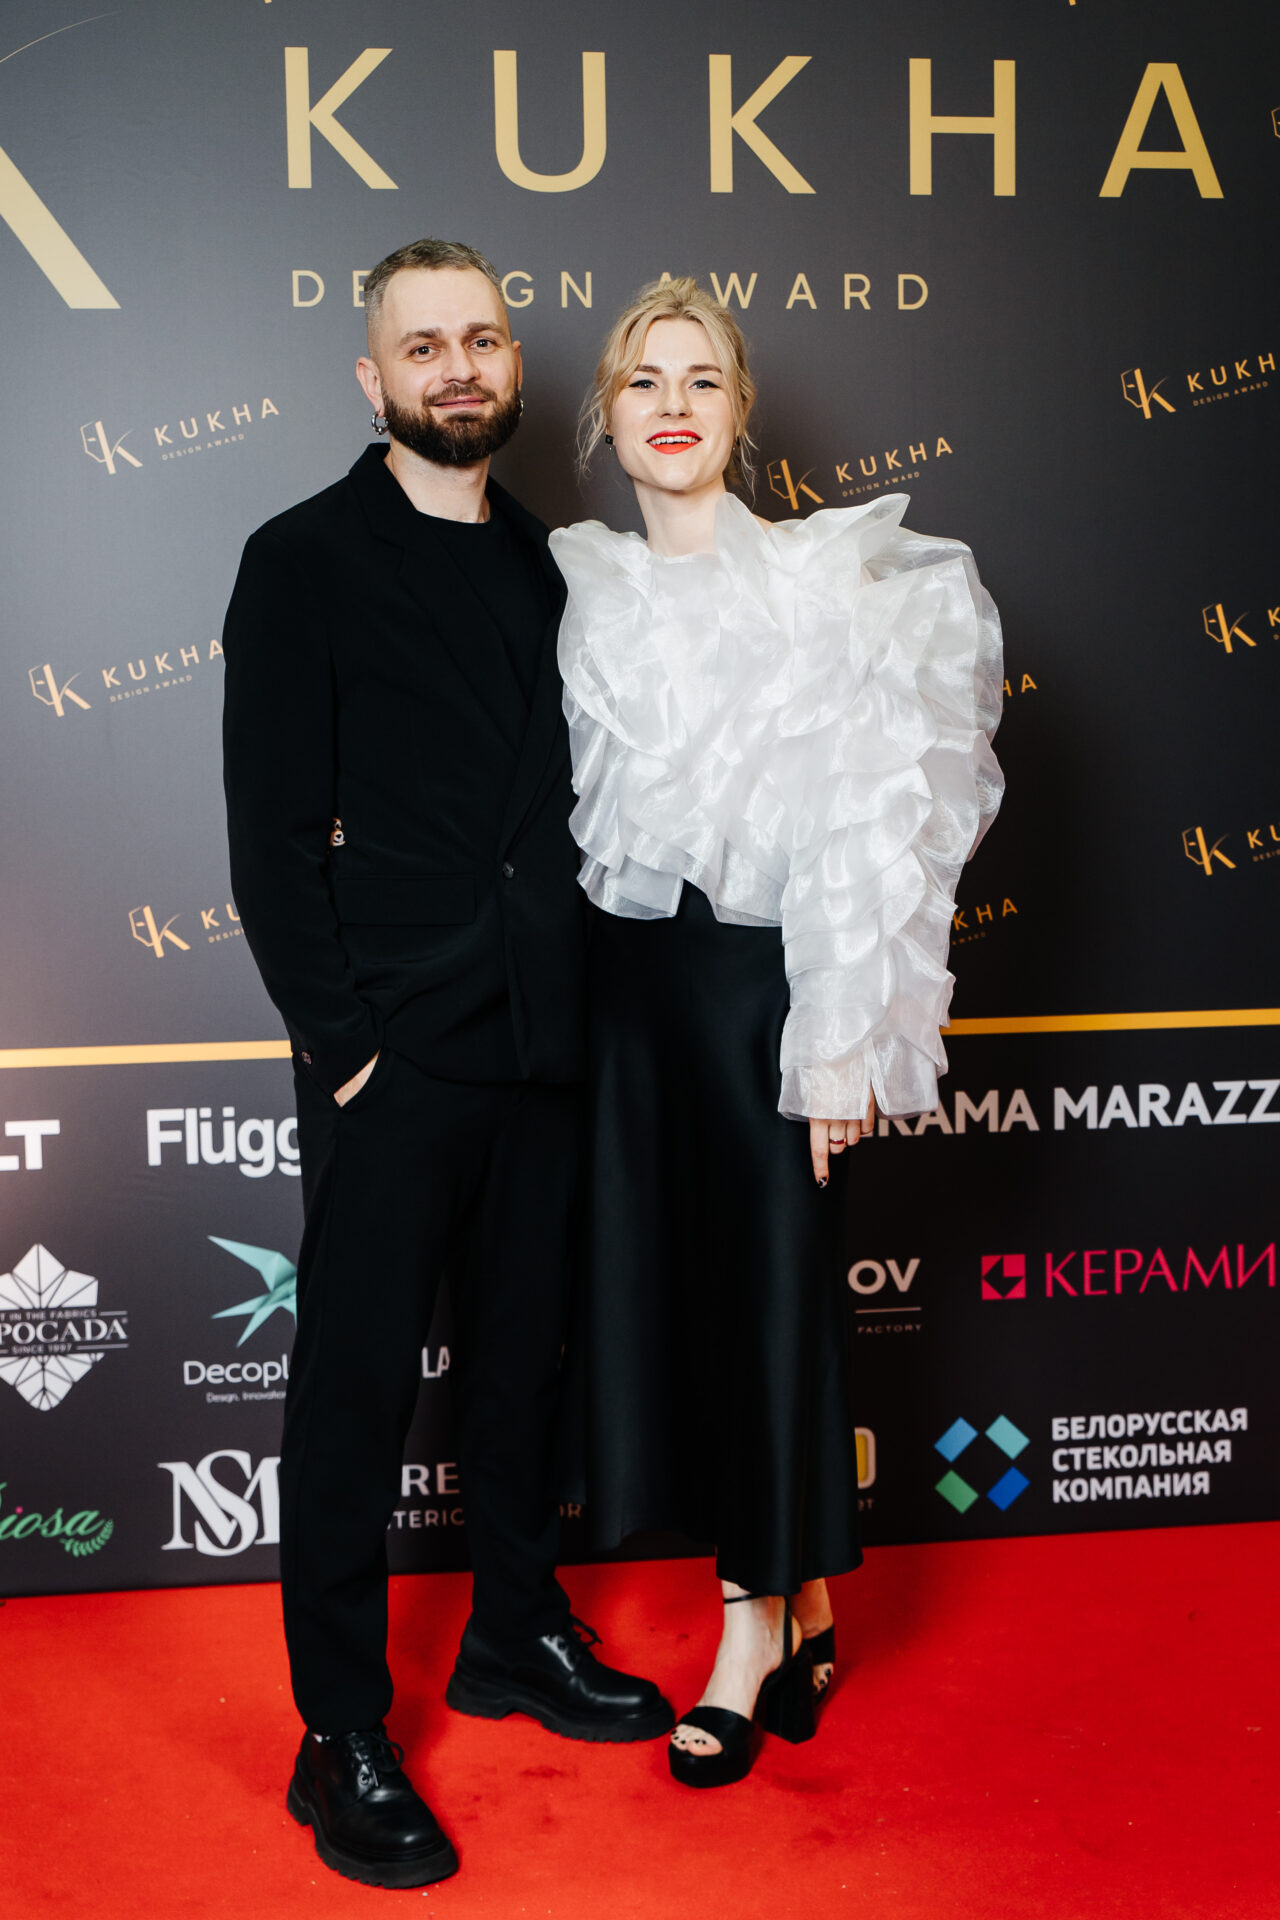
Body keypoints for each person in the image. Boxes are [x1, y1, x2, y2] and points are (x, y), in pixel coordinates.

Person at [221, 238, 673, 1892]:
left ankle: (512, 1633)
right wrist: (346, 1053)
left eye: (480, 339)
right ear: (375, 379)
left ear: (512, 365)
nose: (459, 367)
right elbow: (271, 841)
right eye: (424, 347)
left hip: (548, 1041)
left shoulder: (564, 570)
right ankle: (337, 1732)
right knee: (353, 1393)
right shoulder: (300, 561)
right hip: (395, 1055)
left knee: (519, 1371)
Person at [550, 278, 1003, 1789]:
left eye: (702, 378)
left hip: (770, 993)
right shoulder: (585, 586)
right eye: (643, 380)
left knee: (773, 1299)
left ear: (741, 411)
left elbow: (878, 828)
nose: (672, 403)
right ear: (609, 420)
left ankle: (746, 1635)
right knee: (682, 1305)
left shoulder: (832, 581)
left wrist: (842, 1040)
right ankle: (805, 1604)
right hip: (628, 997)